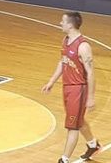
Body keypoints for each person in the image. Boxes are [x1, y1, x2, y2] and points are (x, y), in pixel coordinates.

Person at [42, 11, 101, 163]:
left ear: (70, 25)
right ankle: (93, 144)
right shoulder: (66, 40)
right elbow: (63, 61)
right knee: (77, 120)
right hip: (67, 87)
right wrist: (51, 81)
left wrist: (91, 97)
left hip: (78, 89)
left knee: (72, 126)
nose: (60, 23)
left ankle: (64, 159)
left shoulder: (83, 46)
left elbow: (91, 73)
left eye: (63, 21)